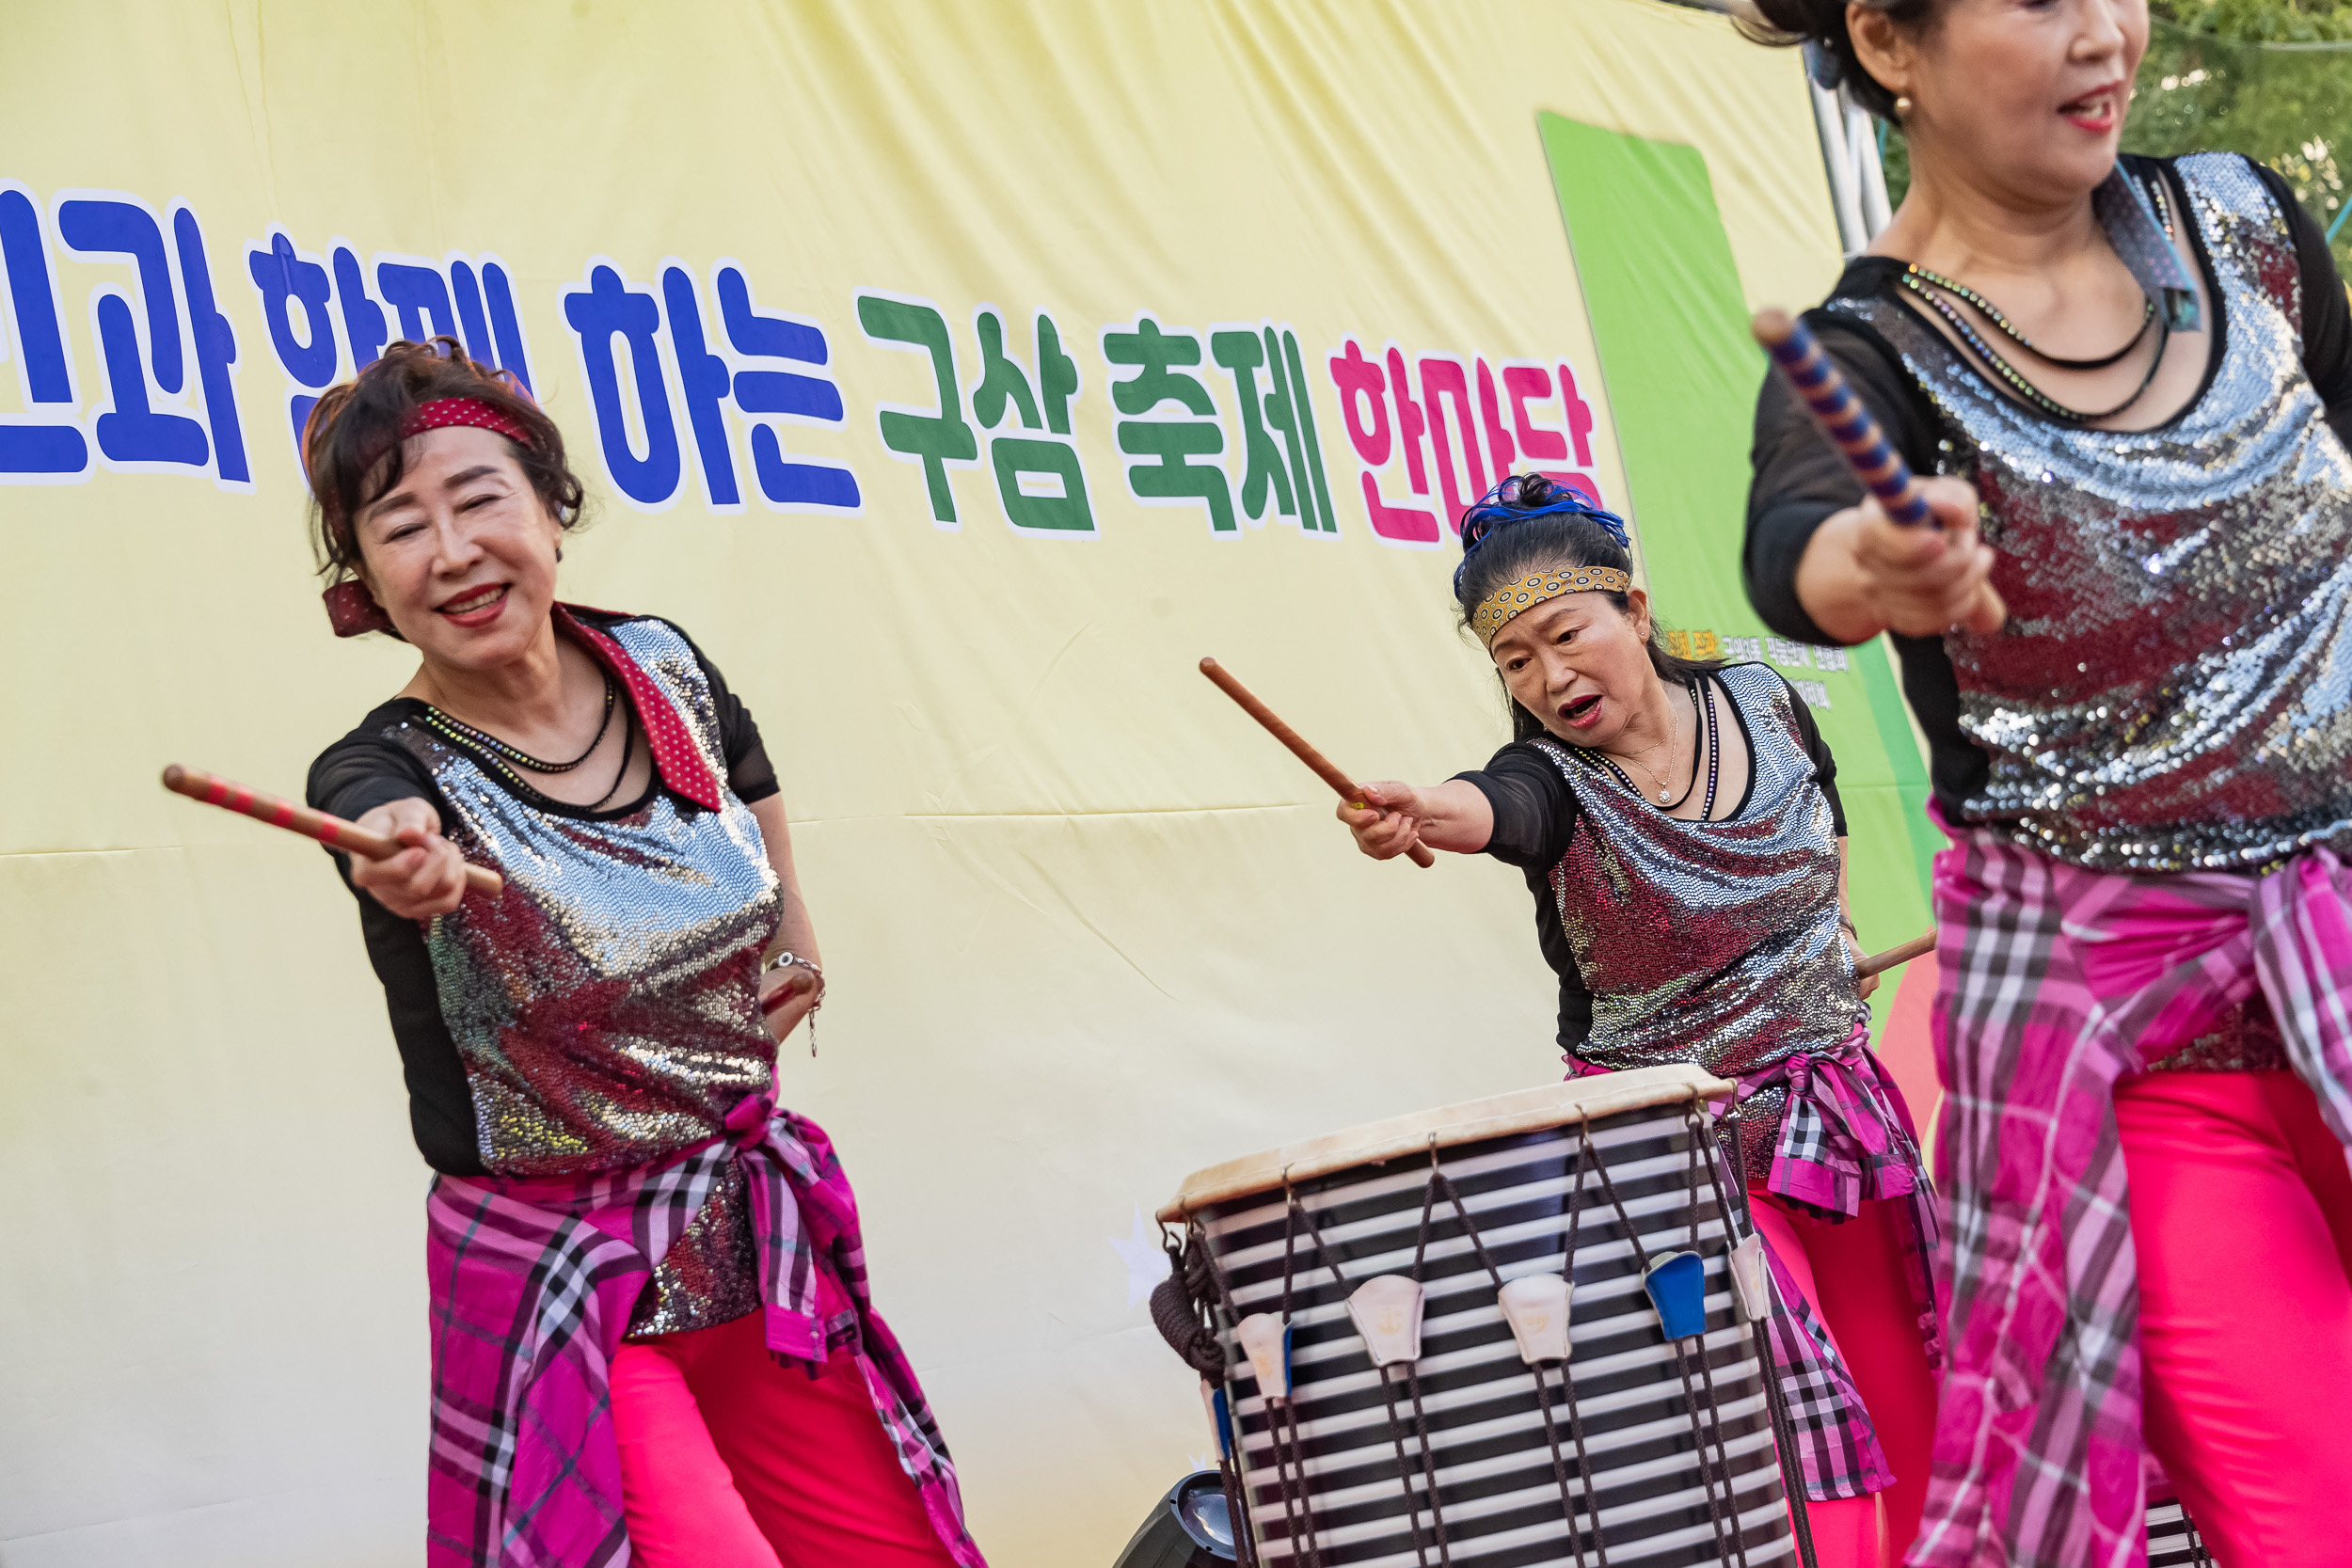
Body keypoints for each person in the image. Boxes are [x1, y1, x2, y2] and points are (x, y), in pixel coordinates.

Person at [1740, 0, 2352, 1560]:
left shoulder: (2249, 225)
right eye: (2038, 0)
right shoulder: (1869, 357)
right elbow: (1797, 551)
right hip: (2144, 1078)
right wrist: (1875, 562)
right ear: (1888, 41)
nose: (2105, 34)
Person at [300, 339, 984, 1568]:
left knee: (900, 1547)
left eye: (478, 500)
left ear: (552, 515)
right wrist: (400, 850)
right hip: (567, 1281)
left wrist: (793, 923)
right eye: (400, 526)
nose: (451, 551)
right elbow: (376, 825)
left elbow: (749, 766)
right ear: (367, 583)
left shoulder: (663, 663)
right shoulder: (388, 771)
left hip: (740, 1230)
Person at [1339, 474, 1941, 1568]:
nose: (1547, 675)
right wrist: (1422, 809)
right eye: (1513, 660)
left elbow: (1826, 813)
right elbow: (1491, 805)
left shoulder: (1763, 699)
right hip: (1671, 1144)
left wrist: (1835, 943)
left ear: (1634, 608)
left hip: (1828, 1107)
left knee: (1920, 1406)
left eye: (1566, 635)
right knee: (1795, 1428)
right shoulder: (1546, 777)